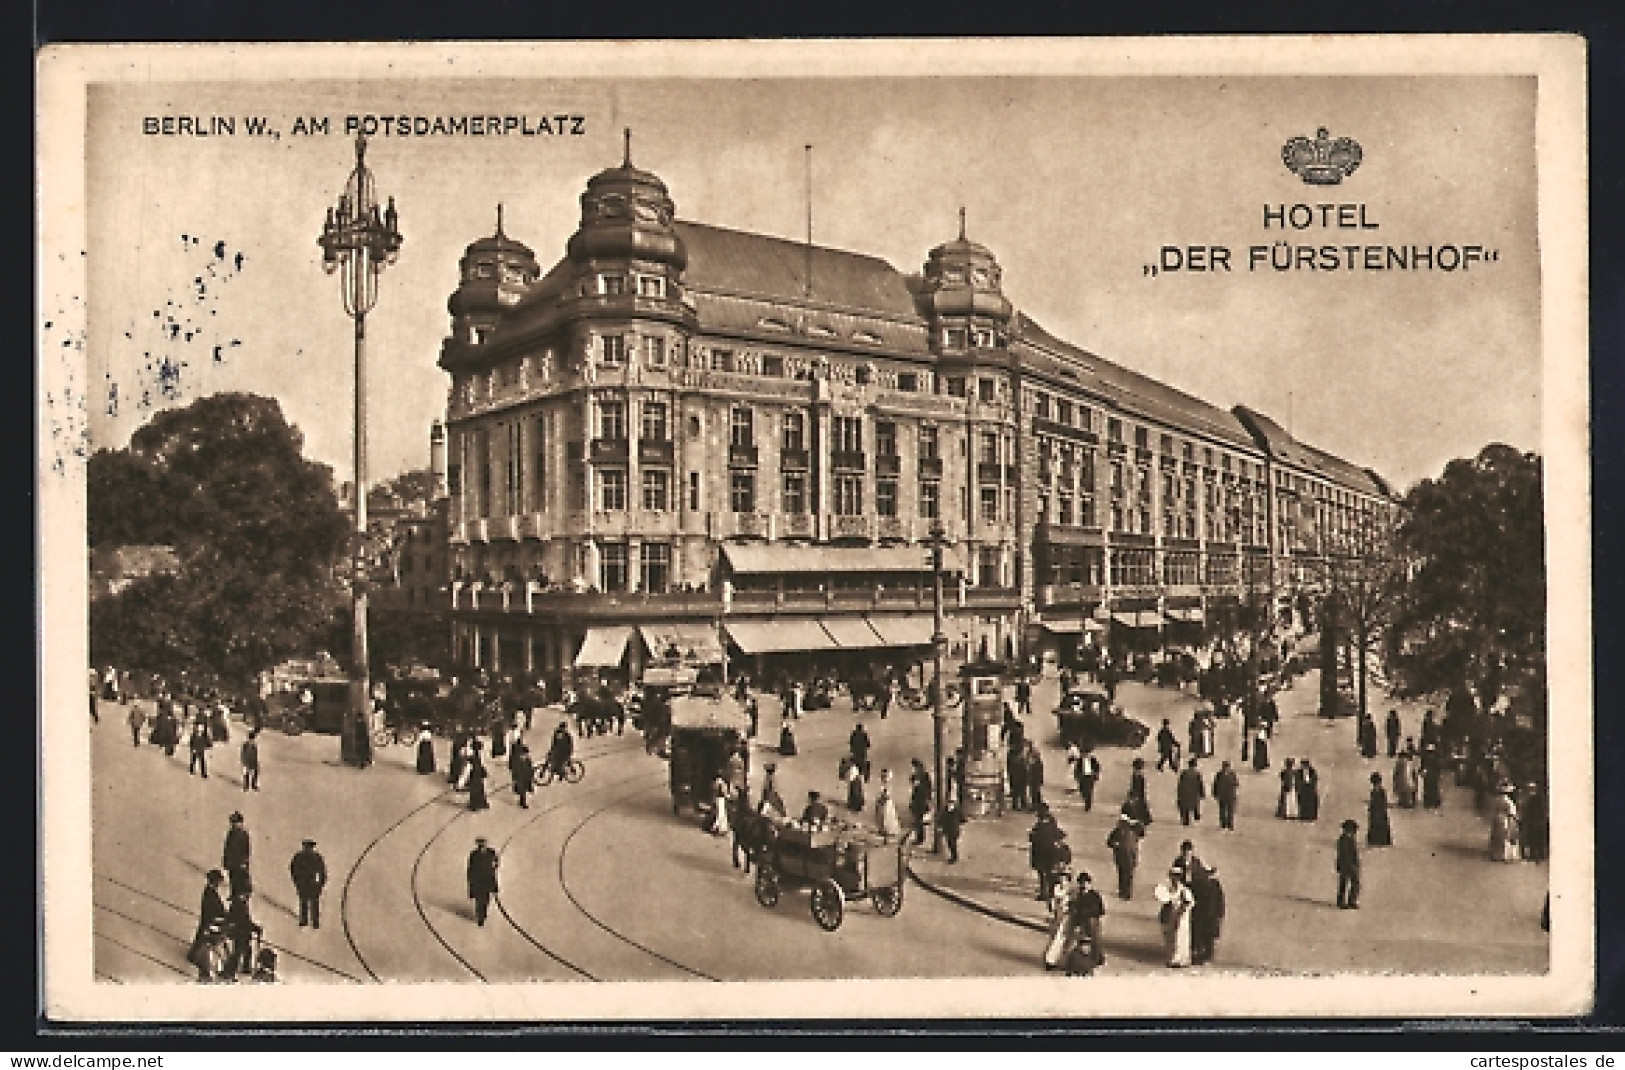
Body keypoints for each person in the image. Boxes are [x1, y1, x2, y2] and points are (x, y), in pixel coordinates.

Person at [189, 870, 229, 981]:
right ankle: (196, 956)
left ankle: (194, 954)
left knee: (201, 937)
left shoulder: (210, 891)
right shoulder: (211, 893)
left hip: (208, 920)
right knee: (205, 939)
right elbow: (215, 908)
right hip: (210, 921)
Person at [1067, 870, 1107, 973]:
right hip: (1083, 922)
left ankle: (1096, 958)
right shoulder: (1079, 896)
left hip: (1092, 921)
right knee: (1084, 941)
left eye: (1086, 883)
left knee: (1094, 940)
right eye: (1082, 883)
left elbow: (1100, 910)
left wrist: (1087, 914)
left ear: (1090, 884)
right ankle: (1086, 960)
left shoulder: (1094, 896)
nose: (1084, 886)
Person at [1154, 868, 1196, 967]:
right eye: (1172, 877)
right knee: (1170, 936)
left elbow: (1190, 902)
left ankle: (1181, 959)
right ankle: (1172, 958)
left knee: (1180, 936)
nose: (1174, 879)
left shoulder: (1183, 890)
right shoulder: (1169, 889)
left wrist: (1183, 908)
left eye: (1176, 877)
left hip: (1181, 915)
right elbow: (1165, 899)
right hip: (1171, 914)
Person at [1190, 864, 1226, 966]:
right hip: (1201, 914)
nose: (1208, 876)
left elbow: (1220, 900)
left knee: (1209, 937)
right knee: (1200, 935)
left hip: (1212, 915)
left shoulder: (1216, 885)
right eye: (1207, 873)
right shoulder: (1199, 884)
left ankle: (1208, 957)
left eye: (1210, 873)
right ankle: (1200, 956)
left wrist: (1220, 914)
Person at [222, 890, 262, 981]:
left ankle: (244, 968)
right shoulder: (238, 906)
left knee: (245, 951)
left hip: (242, 933)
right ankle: (229, 972)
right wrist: (255, 928)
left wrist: (254, 928)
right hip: (240, 933)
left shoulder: (240, 904)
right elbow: (244, 921)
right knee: (238, 953)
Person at [288, 839, 327, 929]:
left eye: (309, 847)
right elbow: (293, 869)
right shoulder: (300, 857)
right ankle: (305, 920)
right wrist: (296, 881)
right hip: (304, 882)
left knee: (313, 902)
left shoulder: (315, 857)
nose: (308, 849)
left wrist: (321, 883)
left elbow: (322, 871)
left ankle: (314, 921)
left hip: (311, 882)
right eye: (307, 847)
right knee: (304, 901)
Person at [1042, 865, 1075, 971]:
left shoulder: (1072, 890)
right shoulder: (1056, 888)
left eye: (1065, 878)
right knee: (1057, 938)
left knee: (1067, 939)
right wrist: (1053, 906)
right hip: (1059, 916)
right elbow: (1051, 903)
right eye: (1061, 877)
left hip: (1068, 916)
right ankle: (1050, 960)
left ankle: (1064, 961)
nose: (1062, 880)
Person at [1028, 807, 1065, 900]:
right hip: (1050, 853)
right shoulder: (1052, 824)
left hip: (1042, 853)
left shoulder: (1040, 827)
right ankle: (1050, 892)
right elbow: (1060, 835)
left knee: (1043, 874)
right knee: (1049, 874)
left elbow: (1032, 838)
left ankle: (1044, 893)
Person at [1106, 813, 1141, 900]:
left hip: (1125, 857)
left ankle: (1125, 892)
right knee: (1125, 875)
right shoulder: (1128, 832)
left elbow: (1109, 842)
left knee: (1125, 875)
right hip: (1125, 856)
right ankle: (1125, 892)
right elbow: (1109, 842)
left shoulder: (1130, 831)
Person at [466, 837, 500, 926]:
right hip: (477, 880)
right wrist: (471, 882)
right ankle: (480, 917)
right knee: (479, 900)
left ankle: (482, 915)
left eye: (483, 845)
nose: (481, 847)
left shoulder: (491, 853)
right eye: (480, 845)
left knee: (485, 900)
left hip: (487, 879)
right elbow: (470, 869)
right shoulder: (474, 854)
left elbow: (496, 864)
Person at [1490, 784, 1521, 862]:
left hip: (1497, 818)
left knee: (1497, 836)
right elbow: (1511, 812)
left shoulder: (1497, 799)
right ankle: (1504, 855)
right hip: (1505, 818)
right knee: (1505, 836)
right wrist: (1516, 818)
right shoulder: (1508, 801)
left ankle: (1495, 854)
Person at [1336, 819, 1362, 908]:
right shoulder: (1346, 840)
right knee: (1353, 882)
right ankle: (1348, 900)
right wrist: (1352, 864)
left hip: (1347, 864)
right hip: (1348, 864)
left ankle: (1344, 900)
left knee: (1345, 882)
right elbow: (1345, 853)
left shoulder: (1345, 839)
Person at [222, 811, 251, 890]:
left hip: (240, 864)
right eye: (233, 823)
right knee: (233, 881)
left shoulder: (243, 834)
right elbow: (227, 848)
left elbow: (246, 850)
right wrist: (225, 861)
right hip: (232, 864)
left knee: (240, 881)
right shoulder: (231, 834)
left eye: (236, 822)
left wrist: (244, 862)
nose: (234, 825)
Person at [908, 760, 933, 846]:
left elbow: (928, 788)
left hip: (921, 801)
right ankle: (919, 837)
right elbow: (911, 782)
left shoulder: (925, 776)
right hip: (916, 800)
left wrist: (928, 799)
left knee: (919, 820)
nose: (913, 769)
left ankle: (920, 838)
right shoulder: (916, 776)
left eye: (914, 767)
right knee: (917, 819)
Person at [1365, 772, 1393, 847]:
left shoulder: (1380, 792)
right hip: (1376, 811)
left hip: (1379, 811)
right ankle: (1376, 840)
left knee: (1380, 825)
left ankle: (1381, 840)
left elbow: (1382, 802)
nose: (1375, 785)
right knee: (1377, 825)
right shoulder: (1374, 792)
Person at [874, 768, 903, 840]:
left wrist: (883, 798)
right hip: (883, 801)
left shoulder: (886, 785)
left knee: (886, 815)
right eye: (882, 777)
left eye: (884, 777)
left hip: (886, 802)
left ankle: (887, 830)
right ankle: (882, 829)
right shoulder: (883, 785)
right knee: (881, 815)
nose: (882, 778)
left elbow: (887, 795)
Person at [1177, 757, 1206, 825]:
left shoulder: (1184, 773)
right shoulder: (1197, 774)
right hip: (1194, 793)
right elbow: (1200, 784)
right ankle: (1196, 815)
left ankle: (1185, 819)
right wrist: (1202, 793)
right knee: (1194, 804)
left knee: (1185, 806)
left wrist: (1179, 793)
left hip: (1185, 792)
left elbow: (1180, 784)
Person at [1213, 760, 1240, 831]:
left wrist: (1215, 794)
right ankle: (1225, 824)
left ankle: (1228, 824)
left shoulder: (1220, 774)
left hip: (1227, 795)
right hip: (1226, 795)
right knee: (1225, 810)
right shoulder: (1231, 774)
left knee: (1228, 810)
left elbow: (1236, 783)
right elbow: (1236, 783)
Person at [1125, 757, 1153, 827]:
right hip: (1136, 794)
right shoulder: (1136, 776)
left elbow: (1139, 788)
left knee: (1140, 806)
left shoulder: (1139, 777)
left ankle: (1142, 819)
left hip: (1138, 794)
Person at [1075, 744, 1100, 812]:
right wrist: (1077, 776)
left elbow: (1097, 767)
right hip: (1083, 777)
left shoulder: (1093, 760)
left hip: (1090, 777)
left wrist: (1096, 774)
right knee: (1082, 790)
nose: (1084, 755)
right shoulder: (1080, 760)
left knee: (1089, 791)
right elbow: (1077, 769)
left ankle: (1088, 805)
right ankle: (1085, 798)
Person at [466, 740, 490, 811]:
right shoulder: (475, 757)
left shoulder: (472, 757)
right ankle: (478, 803)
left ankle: (475, 804)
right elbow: (479, 765)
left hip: (474, 775)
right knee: (479, 789)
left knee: (475, 789)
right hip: (477, 775)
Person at [1006, 737, 1029, 812]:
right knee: (1018, 790)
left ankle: (1020, 804)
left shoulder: (1013, 754)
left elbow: (1009, 766)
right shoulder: (1016, 755)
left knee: (1019, 790)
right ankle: (1019, 804)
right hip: (1018, 775)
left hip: (1018, 775)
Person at [511, 743, 534, 809]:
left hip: (526, 777)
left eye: (526, 754)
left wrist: (531, 774)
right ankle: (523, 802)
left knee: (525, 789)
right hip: (520, 778)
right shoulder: (517, 762)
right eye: (523, 754)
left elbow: (530, 768)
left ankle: (522, 801)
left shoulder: (528, 760)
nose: (525, 756)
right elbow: (515, 770)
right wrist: (515, 778)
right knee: (522, 790)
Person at [1025, 741, 1046, 813]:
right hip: (1033, 778)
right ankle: (1036, 805)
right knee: (1034, 792)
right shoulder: (1030, 755)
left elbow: (1039, 771)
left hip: (1035, 779)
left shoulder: (1036, 763)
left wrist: (1040, 779)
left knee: (1034, 792)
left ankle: (1036, 806)